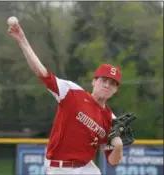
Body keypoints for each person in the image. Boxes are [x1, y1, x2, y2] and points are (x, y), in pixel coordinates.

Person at [8, 22, 124, 175]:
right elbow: (42, 72)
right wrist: (22, 41)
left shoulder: (111, 120)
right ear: (94, 81)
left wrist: (118, 146)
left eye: (112, 84)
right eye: (104, 81)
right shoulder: (72, 92)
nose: (107, 86)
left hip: (86, 168)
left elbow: (112, 161)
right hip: (60, 168)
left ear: (115, 90)